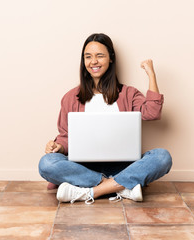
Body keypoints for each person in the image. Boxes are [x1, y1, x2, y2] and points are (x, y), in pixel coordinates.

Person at [38, 33, 172, 204]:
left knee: (162, 157)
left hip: (123, 166)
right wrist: (58, 146)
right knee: (47, 163)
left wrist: (151, 75)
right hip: (83, 167)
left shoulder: (128, 94)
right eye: (88, 57)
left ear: (110, 59)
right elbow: (66, 137)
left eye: (99, 55)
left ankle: (89, 192)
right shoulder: (70, 97)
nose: (93, 61)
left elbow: (152, 112)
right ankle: (121, 187)